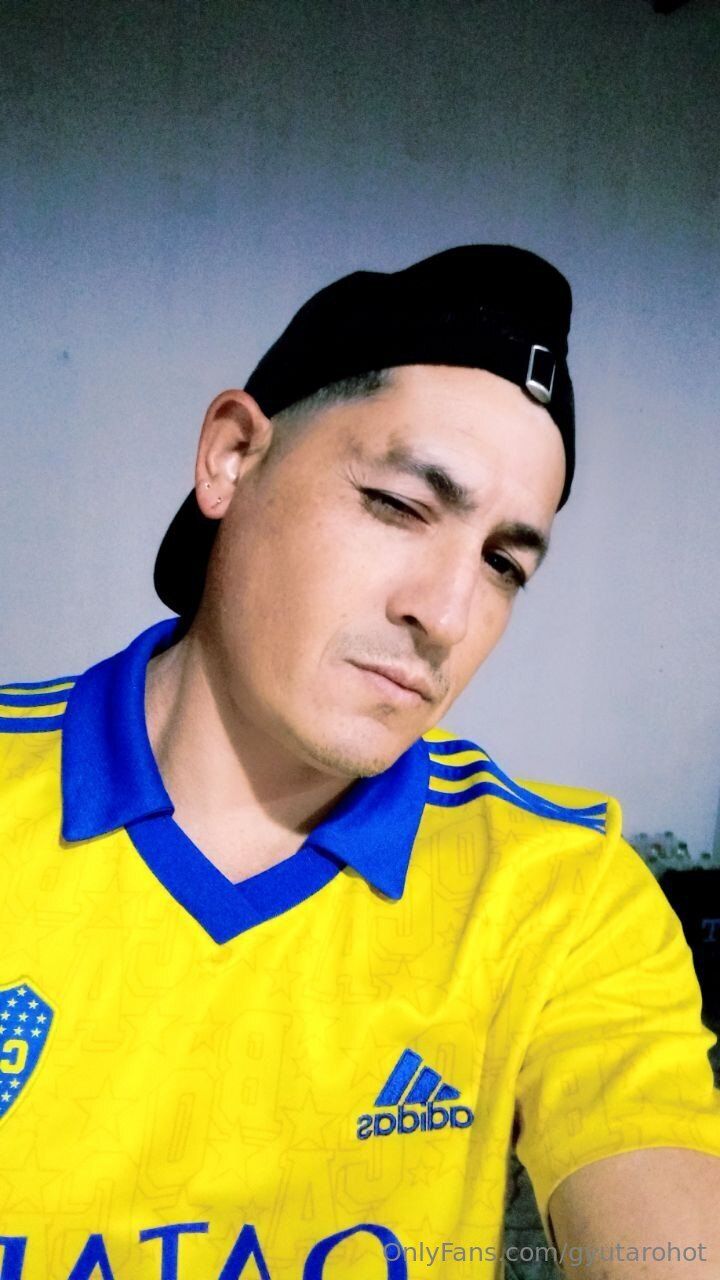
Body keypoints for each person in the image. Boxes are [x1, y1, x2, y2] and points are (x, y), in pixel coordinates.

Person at [0, 245, 718, 1280]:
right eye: (400, 506)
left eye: (503, 563)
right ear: (232, 456)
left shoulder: (557, 891)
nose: (447, 614)